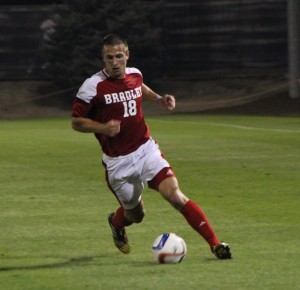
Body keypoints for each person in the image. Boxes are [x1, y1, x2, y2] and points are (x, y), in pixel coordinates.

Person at [71, 34, 232, 259]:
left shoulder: (135, 74)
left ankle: (216, 245)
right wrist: (102, 127)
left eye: (119, 56)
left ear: (127, 55)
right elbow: (76, 122)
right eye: (109, 58)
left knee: (175, 195)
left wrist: (158, 98)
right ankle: (116, 223)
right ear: (103, 59)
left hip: (146, 151)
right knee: (136, 215)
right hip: (118, 164)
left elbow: (140, 88)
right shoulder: (93, 86)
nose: (115, 62)